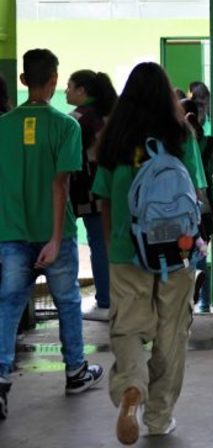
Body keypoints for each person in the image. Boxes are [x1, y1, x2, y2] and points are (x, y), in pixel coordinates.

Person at [92, 62, 207, 444]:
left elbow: (104, 199)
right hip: (177, 251)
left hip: (128, 249)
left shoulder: (116, 136)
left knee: (127, 326)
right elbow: (196, 195)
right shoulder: (181, 133)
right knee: (171, 332)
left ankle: (132, 388)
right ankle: (159, 418)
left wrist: (114, 245)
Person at [0, 49, 105, 421]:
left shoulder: (3, 126)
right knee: (68, 304)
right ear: (55, 80)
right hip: (53, 234)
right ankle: (75, 371)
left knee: (9, 305)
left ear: (24, 80)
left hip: (11, 232)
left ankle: (0, 382)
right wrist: (56, 239)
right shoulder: (66, 126)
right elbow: (61, 185)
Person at [65, 70, 118, 322]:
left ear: (82, 90)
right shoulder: (111, 114)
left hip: (87, 190)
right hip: (114, 186)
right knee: (108, 241)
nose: (66, 91)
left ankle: (105, 299)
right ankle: (114, 296)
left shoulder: (77, 119)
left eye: (69, 86)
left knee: (97, 242)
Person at [180, 98, 213, 314]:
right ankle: (204, 304)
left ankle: (182, 301)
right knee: (200, 252)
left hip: (174, 208)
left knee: (176, 254)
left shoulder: (173, 143)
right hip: (203, 207)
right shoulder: (209, 144)